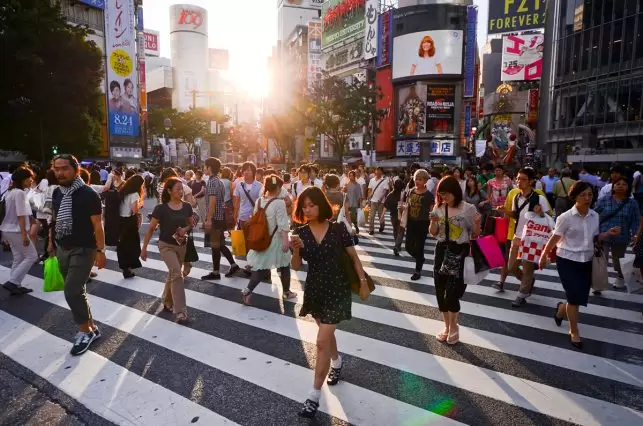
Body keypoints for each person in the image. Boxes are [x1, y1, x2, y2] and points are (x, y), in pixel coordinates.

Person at [290, 187, 369, 418]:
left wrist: (362, 281)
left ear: (321, 205)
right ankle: (337, 361)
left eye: (311, 204)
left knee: (321, 341)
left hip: (338, 288)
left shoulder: (338, 229)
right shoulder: (300, 232)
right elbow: (296, 267)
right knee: (326, 333)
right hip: (315, 289)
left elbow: (353, 256)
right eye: (303, 206)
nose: (307, 209)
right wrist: (295, 251)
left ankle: (314, 396)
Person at [539, 181, 621, 349]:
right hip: (567, 260)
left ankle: (562, 309)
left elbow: (594, 238)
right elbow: (555, 238)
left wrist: (606, 234)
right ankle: (574, 331)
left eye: (590, 195)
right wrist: (544, 254)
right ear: (574, 197)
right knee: (574, 298)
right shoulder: (565, 217)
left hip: (587, 260)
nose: (587, 198)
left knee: (577, 297)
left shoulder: (594, 216)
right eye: (583, 195)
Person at [49, 154, 106, 356]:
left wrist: (101, 251)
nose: (60, 173)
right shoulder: (57, 193)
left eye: (64, 168)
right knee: (77, 290)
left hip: (84, 249)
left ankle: (84, 331)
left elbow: (98, 226)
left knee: (71, 291)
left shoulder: (88, 194)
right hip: (62, 247)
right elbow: (55, 220)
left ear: (76, 169)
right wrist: (51, 243)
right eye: (56, 169)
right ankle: (91, 326)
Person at [429, 176, 480, 344]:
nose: (444, 198)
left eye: (447, 194)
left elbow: (475, 234)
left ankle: (454, 326)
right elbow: (434, 233)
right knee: (440, 289)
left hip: (459, 251)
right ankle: (446, 326)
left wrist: (478, 224)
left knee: (452, 292)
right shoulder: (439, 207)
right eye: (441, 194)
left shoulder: (468, 208)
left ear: (455, 192)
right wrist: (433, 222)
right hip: (442, 250)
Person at [141, 177, 195, 324]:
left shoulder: (187, 206)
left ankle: (166, 300)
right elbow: (151, 228)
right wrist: (144, 248)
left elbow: (191, 224)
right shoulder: (161, 208)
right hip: (166, 246)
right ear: (169, 191)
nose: (181, 191)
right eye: (178, 189)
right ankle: (181, 312)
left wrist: (186, 229)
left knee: (173, 273)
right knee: (177, 273)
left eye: (182, 188)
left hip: (181, 245)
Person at [241, 175, 295, 303]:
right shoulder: (279, 203)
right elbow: (283, 224)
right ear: (277, 188)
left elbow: (254, 218)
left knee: (262, 268)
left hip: (262, 239)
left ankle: (247, 290)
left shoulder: (260, 200)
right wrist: (286, 241)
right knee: (285, 265)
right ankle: (286, 292)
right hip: (276, 240)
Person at [593, 176, 640, 290]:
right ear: (613, 186)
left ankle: (620, 276)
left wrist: (635, 235)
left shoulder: (632, 203)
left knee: (618, 259)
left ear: (628, 187)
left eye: (624, 184)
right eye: (618, 183)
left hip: (622, 236)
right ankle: (598, 283)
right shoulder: (604, 199)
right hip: (603, 235)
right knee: (600, 260)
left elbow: (636, 220)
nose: (620, 186)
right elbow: (594, 215)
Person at [0, 167, 38, 295]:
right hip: (16, 230)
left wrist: (31, 219)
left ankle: (15, 284)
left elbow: (21, 212)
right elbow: (20, 215)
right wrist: (24, 235)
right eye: (29, 178)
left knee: (19, 257)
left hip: (8, 229)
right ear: (23, 180)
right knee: (32, 256)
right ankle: (13, 282)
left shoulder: (11, 192)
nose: (31, 180)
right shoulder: (20, 193)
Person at [202, 157, 239, 280]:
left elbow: (212, 201)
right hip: (220, 217)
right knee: (219, 245)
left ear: (210, 168)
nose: (204, 169)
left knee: (216, 245)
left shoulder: (212, 182)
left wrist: (208, 219)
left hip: (215, 219)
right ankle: (229, 267)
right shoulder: (219, 181)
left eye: (205, 166)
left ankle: (217, 272)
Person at [404, 169, 435, 280]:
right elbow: (407, 204)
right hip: (411, 222)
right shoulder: (411, 191)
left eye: (420, 179)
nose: (417, 181)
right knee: (408, 246)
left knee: (420, 247)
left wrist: (432, 223)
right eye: (416, 179)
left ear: (425, 180)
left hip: (423, 223)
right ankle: (420, 259)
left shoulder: (429, 195)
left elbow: (432, 211)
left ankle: (418, 271)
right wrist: (403, 209)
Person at [116, 174, 144, 279]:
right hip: (130, 221)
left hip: (120, 221)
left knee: (122, 245)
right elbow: (134, 210)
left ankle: (125, 268)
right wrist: (139, 211)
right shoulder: (135, 194)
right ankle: (129, 267)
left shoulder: (122, 191)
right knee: (132, 245)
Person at [384, 179, 405, 256]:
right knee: (401, 231)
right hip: (401, 215)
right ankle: (397, 245)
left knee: (395, 230)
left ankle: (397, 243)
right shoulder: (404, 194)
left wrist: (382, 216)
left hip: (393, 215)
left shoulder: (390, 194)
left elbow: (386, 205)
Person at [367, 167, 389, 235]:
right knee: (371, 216)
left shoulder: (384, 181)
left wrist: (381, 198)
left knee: (380, 216)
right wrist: (368, 198)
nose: (378, 172)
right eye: (377, 170)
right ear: (375, 171)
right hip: (373, 200)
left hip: (381, 202)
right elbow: (370, 190)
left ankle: (382, 225)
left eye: (379, 171)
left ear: (382, 172)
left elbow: (385, 191)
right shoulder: (372, 180)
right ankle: (371, 230)